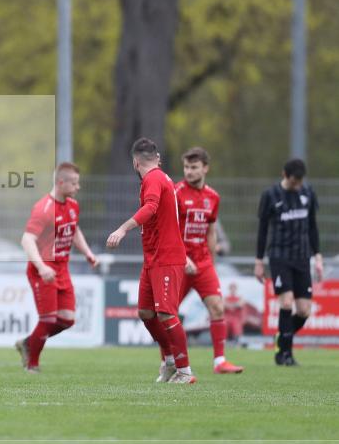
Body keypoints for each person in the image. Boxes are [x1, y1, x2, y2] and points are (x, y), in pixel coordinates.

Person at [107, 138, 196, 384]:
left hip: (166, 257)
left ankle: (185, 371)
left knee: (166, 314)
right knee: (146, 312)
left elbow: (151, 207)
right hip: (153, 257)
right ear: (157, 158)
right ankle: (170, 360)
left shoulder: (153, 179)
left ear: (135, 162)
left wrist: (123, 229)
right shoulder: (161, 178)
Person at [15, 162, 98, 373]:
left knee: (67, 320)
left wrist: (87, 253)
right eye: (74, 183)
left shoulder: (73, 205)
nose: (78, 187)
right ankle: (32, 365)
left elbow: (74, 230)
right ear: (61, 182)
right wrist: (42, 267)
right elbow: (27, 240)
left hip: (62, 269)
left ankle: (28, 343)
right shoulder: (44, 209)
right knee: (48, 319)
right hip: (43, 271)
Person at [175, 147, 244, 374]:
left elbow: (211, 232)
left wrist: (211, 263)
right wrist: (182, 257)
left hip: (203, 263)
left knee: (217, 307)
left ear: (205, 168)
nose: (189, 171)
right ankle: (170, 362)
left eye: (194, 167)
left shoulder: (213, 197)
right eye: (186, 167)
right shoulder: (176, 193)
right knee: (169, 314)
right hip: (179, 262)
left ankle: (220, 362)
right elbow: (168, 231)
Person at [254, 158, 323, 366]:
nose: (297, 186)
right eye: (294, 182)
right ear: (284, 175)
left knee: (304, 310)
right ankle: (285, 354)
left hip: (302, 257)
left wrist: (318, 256)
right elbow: (263, 230)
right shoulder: (270, 195)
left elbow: (313, 226)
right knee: (286, 302)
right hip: (279, 256)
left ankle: (281, 338)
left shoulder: (308, 193)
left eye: (300, 182)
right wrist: (259, 260)